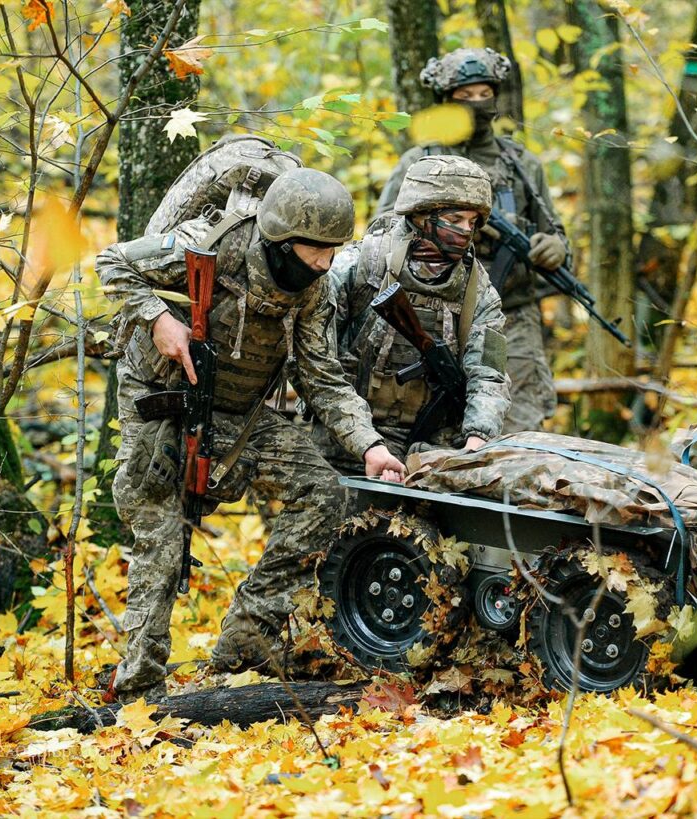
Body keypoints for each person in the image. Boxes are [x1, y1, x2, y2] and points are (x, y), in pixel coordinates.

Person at [97, 168, 406, 696]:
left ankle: (245, 643)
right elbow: (112, 261)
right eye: (316, 251)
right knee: (162, 536)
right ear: (283, 239)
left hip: (242, 414)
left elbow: (321, 377)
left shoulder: (312, 289)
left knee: (323, 493)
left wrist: (370, 445)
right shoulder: (211, 245)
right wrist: (156, 319)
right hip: (166, 405)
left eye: (333, 251)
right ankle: (137, 687)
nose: (325, 264)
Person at [376, 47, 571, 433]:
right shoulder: (420, 162)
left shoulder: (522, 165)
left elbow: (558, 236)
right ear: (446, 102)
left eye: (485, 95)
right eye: (465, 97)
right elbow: (380, 235)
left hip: (510, 317)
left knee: (517, 424)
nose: (477, 105)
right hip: (429, 313)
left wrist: (556, 247)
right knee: (423, 423)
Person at [313, 154, 510, 476]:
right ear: (421, 214)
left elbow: (489, 374)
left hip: (433, 448)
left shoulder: (479, 291)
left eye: (473, 223)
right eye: (456, 218)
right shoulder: (361, 265)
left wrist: (476, 439)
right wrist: (364, 441)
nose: (465, 230)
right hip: (344, 438)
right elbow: (315, 357)